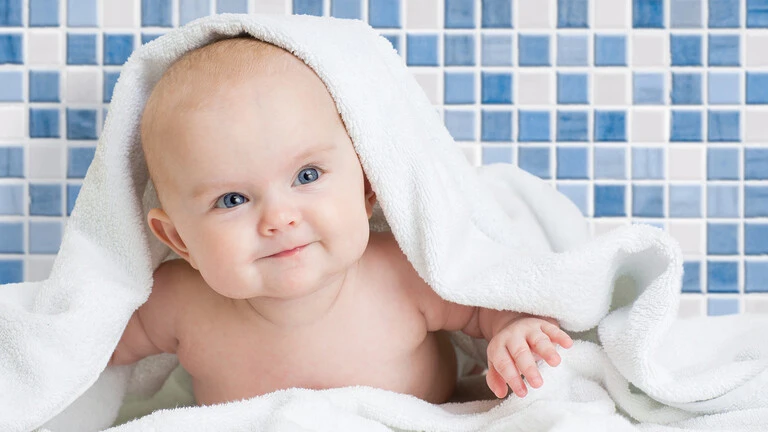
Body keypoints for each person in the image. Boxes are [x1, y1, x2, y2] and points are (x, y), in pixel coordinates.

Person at [109, 36, 573, 405]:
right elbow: (86, 352)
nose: (279, 218)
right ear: (179, 238)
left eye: (306, 175)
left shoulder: (403, 275)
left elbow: (485, 301)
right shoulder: (177, 305)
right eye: (232, 199)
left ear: (367, 189)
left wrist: (513, 332)